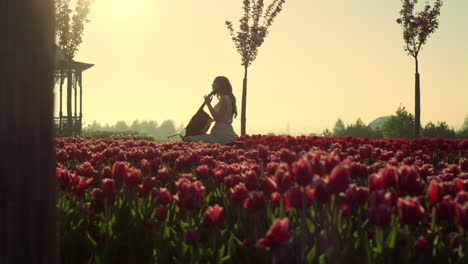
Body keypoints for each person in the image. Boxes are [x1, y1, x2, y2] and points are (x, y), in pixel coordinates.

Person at [183, 76, 238, 145]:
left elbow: (218, 118)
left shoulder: (224, 99)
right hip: (222, 133)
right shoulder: (227, 98)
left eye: (215, 82)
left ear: (221, 85)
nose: (212, 85)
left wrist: (208, 104)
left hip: (220, 135)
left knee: (189, 140)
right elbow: (222, 117)